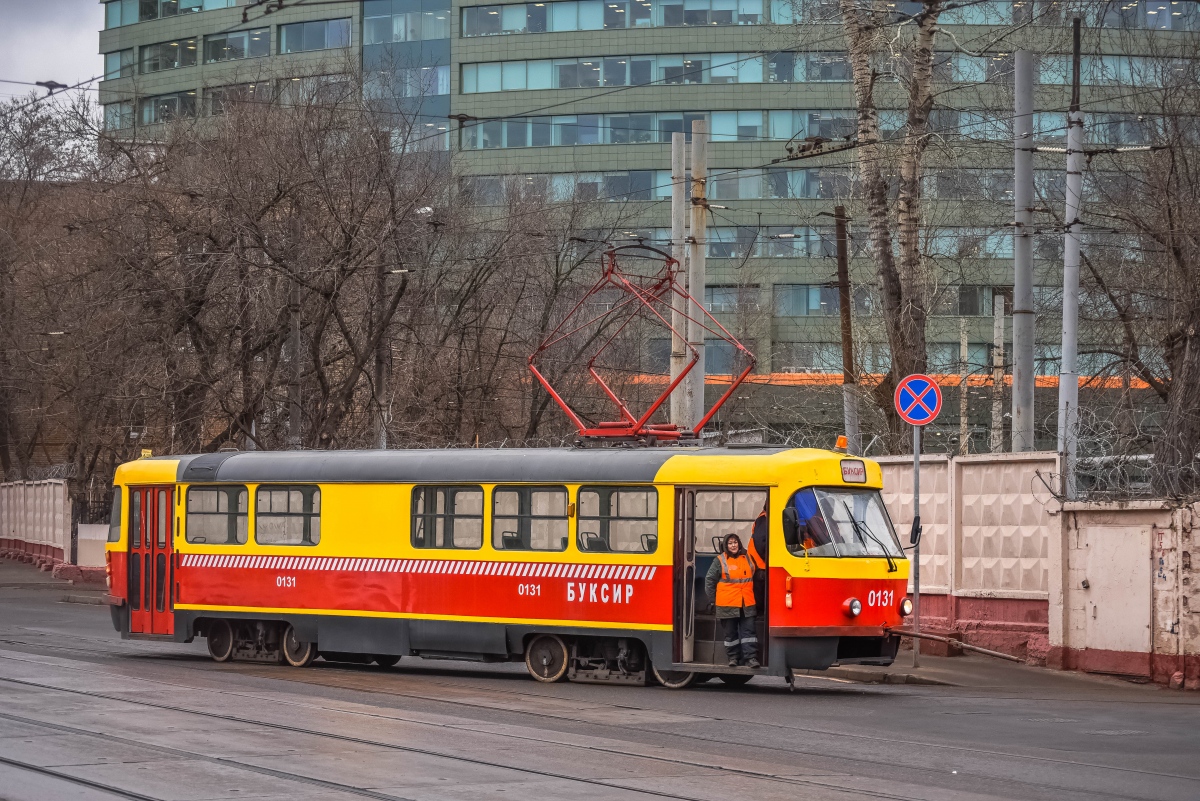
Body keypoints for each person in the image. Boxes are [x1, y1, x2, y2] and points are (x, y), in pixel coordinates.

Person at [704, 533, 760, 668]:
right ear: (725, 545)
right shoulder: (720, 560)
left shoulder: (748, 558)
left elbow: (756, 576)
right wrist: (713, 600)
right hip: (727, 604)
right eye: (730, 543)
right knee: (730, 634)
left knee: (749, 632)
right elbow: (709, 580)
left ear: (739, 543)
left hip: (746, 603)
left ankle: (751, 658)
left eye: (735, 542)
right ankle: (733, 658)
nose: (733, 545)